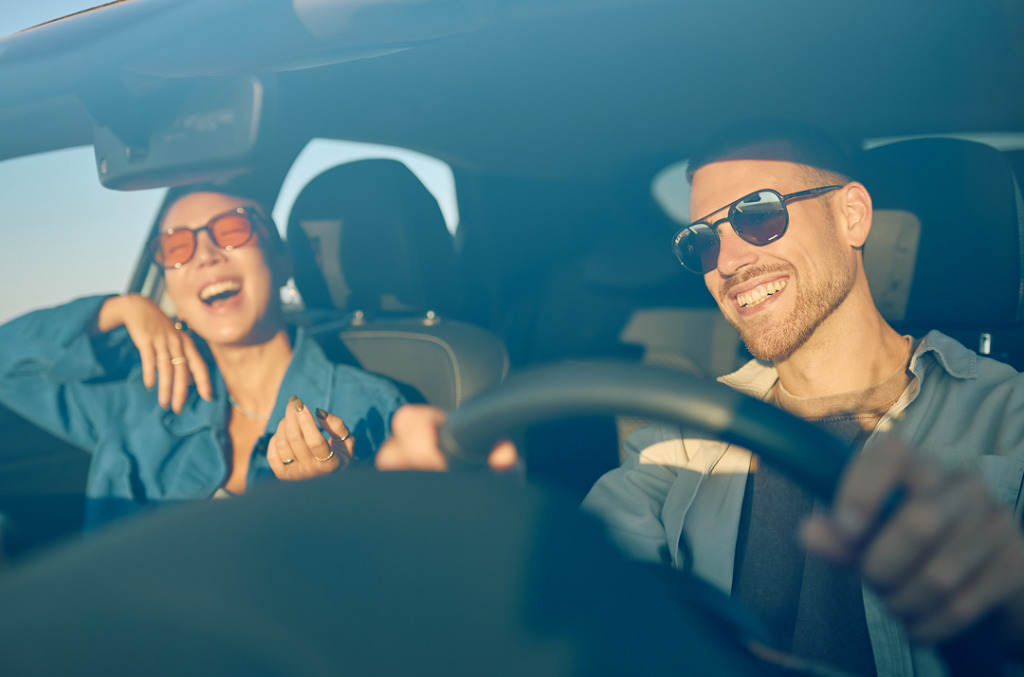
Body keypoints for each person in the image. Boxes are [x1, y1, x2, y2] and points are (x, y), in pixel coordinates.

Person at [376, 122, 1024, 674]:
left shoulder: (1009, 418)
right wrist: (474, 525)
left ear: (851, 214)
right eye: (703, 241)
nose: (729, 260)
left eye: (759, 215)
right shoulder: (680, 434)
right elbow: (582, 584)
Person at [0, 187, 405, 530]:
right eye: (176, 247)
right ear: (171, 291)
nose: (205, 254)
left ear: (283, 265)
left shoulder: (372, 408)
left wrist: (334, 499)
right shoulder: (139, 395)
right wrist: (116, 309)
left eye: (233, 230)